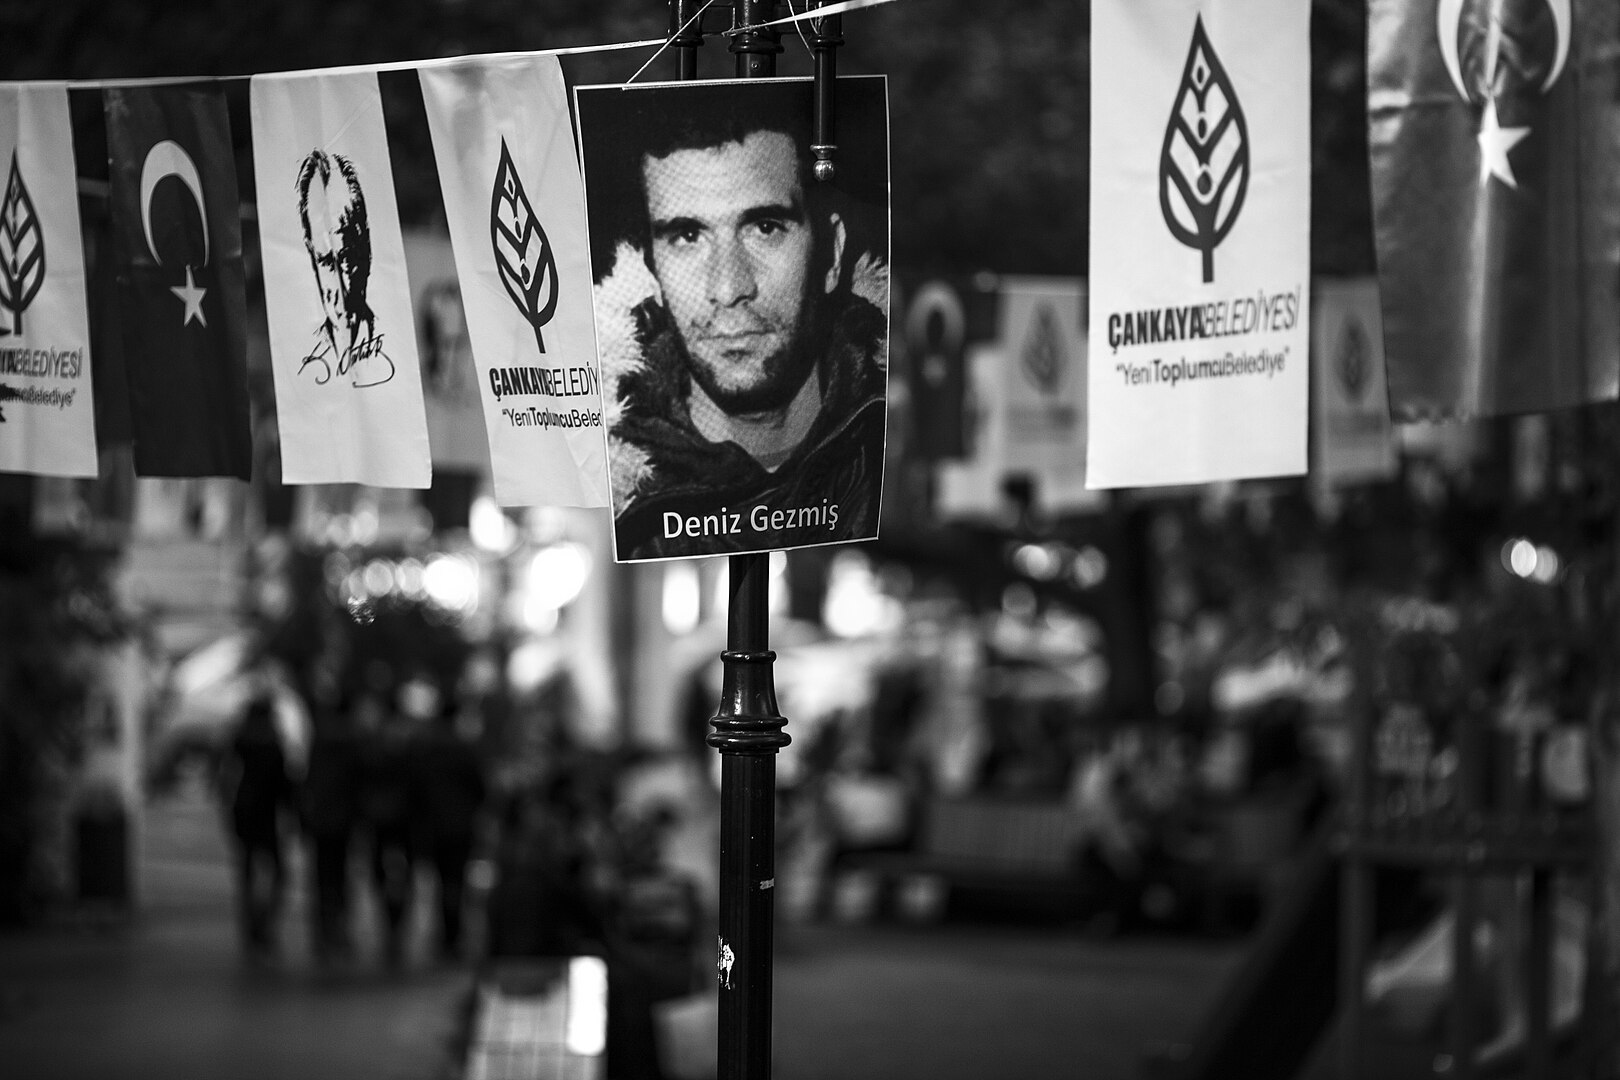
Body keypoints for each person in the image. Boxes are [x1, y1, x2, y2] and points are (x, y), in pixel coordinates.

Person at [586, 83, 889, 559]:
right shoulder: (606, 502)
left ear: (830, 256)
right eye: (687, 236)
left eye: (765, 228)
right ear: (652, 270)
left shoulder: (897, 455)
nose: (729, 288)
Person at [411, 696, 487, 962]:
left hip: (434, 827)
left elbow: (415, 791)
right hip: (459, 826)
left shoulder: (425, 750)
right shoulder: (463, 750)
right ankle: (452, 934)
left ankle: (446, 932)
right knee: (455, 882)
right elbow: (480, 788)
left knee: (440, 881)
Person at [220, 693, 294, 959]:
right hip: (267, 817)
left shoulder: (239, 743)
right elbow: (285, 786)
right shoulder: (272, 745)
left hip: (244, 815)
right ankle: (264, 924)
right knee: (277, 872)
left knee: (247, 873)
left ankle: (251, 926)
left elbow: (225, 780)